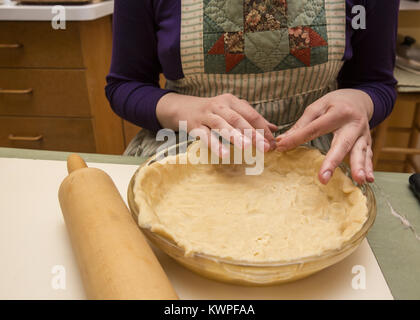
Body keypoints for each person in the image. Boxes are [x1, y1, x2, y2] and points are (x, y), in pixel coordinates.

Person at [106, 0, 399, 184]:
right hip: (185, 155)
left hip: (316, 169)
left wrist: (360, 101)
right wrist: (183, 109)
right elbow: (125, 84)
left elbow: (375, 84)